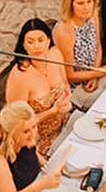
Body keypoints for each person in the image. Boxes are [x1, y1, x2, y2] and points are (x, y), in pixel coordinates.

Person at [7, 18, 74, 149]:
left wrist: (67, 99)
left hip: (65, 121)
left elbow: (66, 84)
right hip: (37, 138)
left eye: (41, 40)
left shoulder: (55, 54)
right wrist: (52, 111)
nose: (36, 46)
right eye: (30, 42)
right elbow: (17, 122)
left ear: (49, 40)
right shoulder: (19, 76)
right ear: (24, 46)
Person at [55, 0, 106, 107]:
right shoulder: (65, 31)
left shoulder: (93, 15)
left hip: (94, 72)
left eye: (89, 2)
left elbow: (97, 45)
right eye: (80, 3)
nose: (86, 7)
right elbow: (69, 75)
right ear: (71, 5)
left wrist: (95, 75)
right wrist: (102, 72)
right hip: (75, 86)